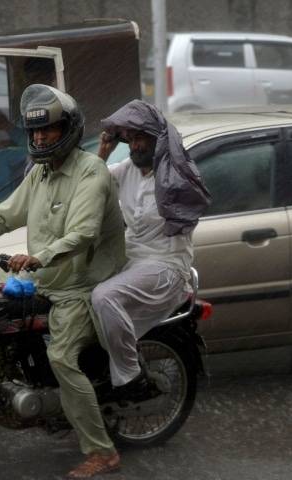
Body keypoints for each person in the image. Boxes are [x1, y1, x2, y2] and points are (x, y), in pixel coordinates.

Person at [0, 84, 126, 479]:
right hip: (42, 278)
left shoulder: (90, 173)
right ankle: (1, 386)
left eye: (48, 130)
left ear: (68, 129)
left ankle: (102, 451)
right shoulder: (41, 173)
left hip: (81, 285)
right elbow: (6, 214)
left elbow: (84, 234)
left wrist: (38, 257)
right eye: (35, 132)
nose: (40, 138)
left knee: (62, 357)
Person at [94, 100, 211, 399]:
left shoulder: (176, 174)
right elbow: (93, 185)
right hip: (131, 259)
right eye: (130, 138)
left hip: (165, 266)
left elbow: (193, 202)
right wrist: (104, 151)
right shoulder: (129, 170)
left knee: (104, 297)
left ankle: (131, 378)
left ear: (156, 138)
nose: (134, 145)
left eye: (140, 137)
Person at [0, 57, 56, 207]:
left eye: (38, 78)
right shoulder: (31, 100)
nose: (32, 83)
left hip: (46, 151)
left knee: (1, 158)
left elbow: (41, 139)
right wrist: (10, 141)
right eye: (30, 78)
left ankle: (3, 209)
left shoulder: (52, 102)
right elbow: (28, 134)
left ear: (50, 77)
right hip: (28, 147)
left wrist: (8, 128)